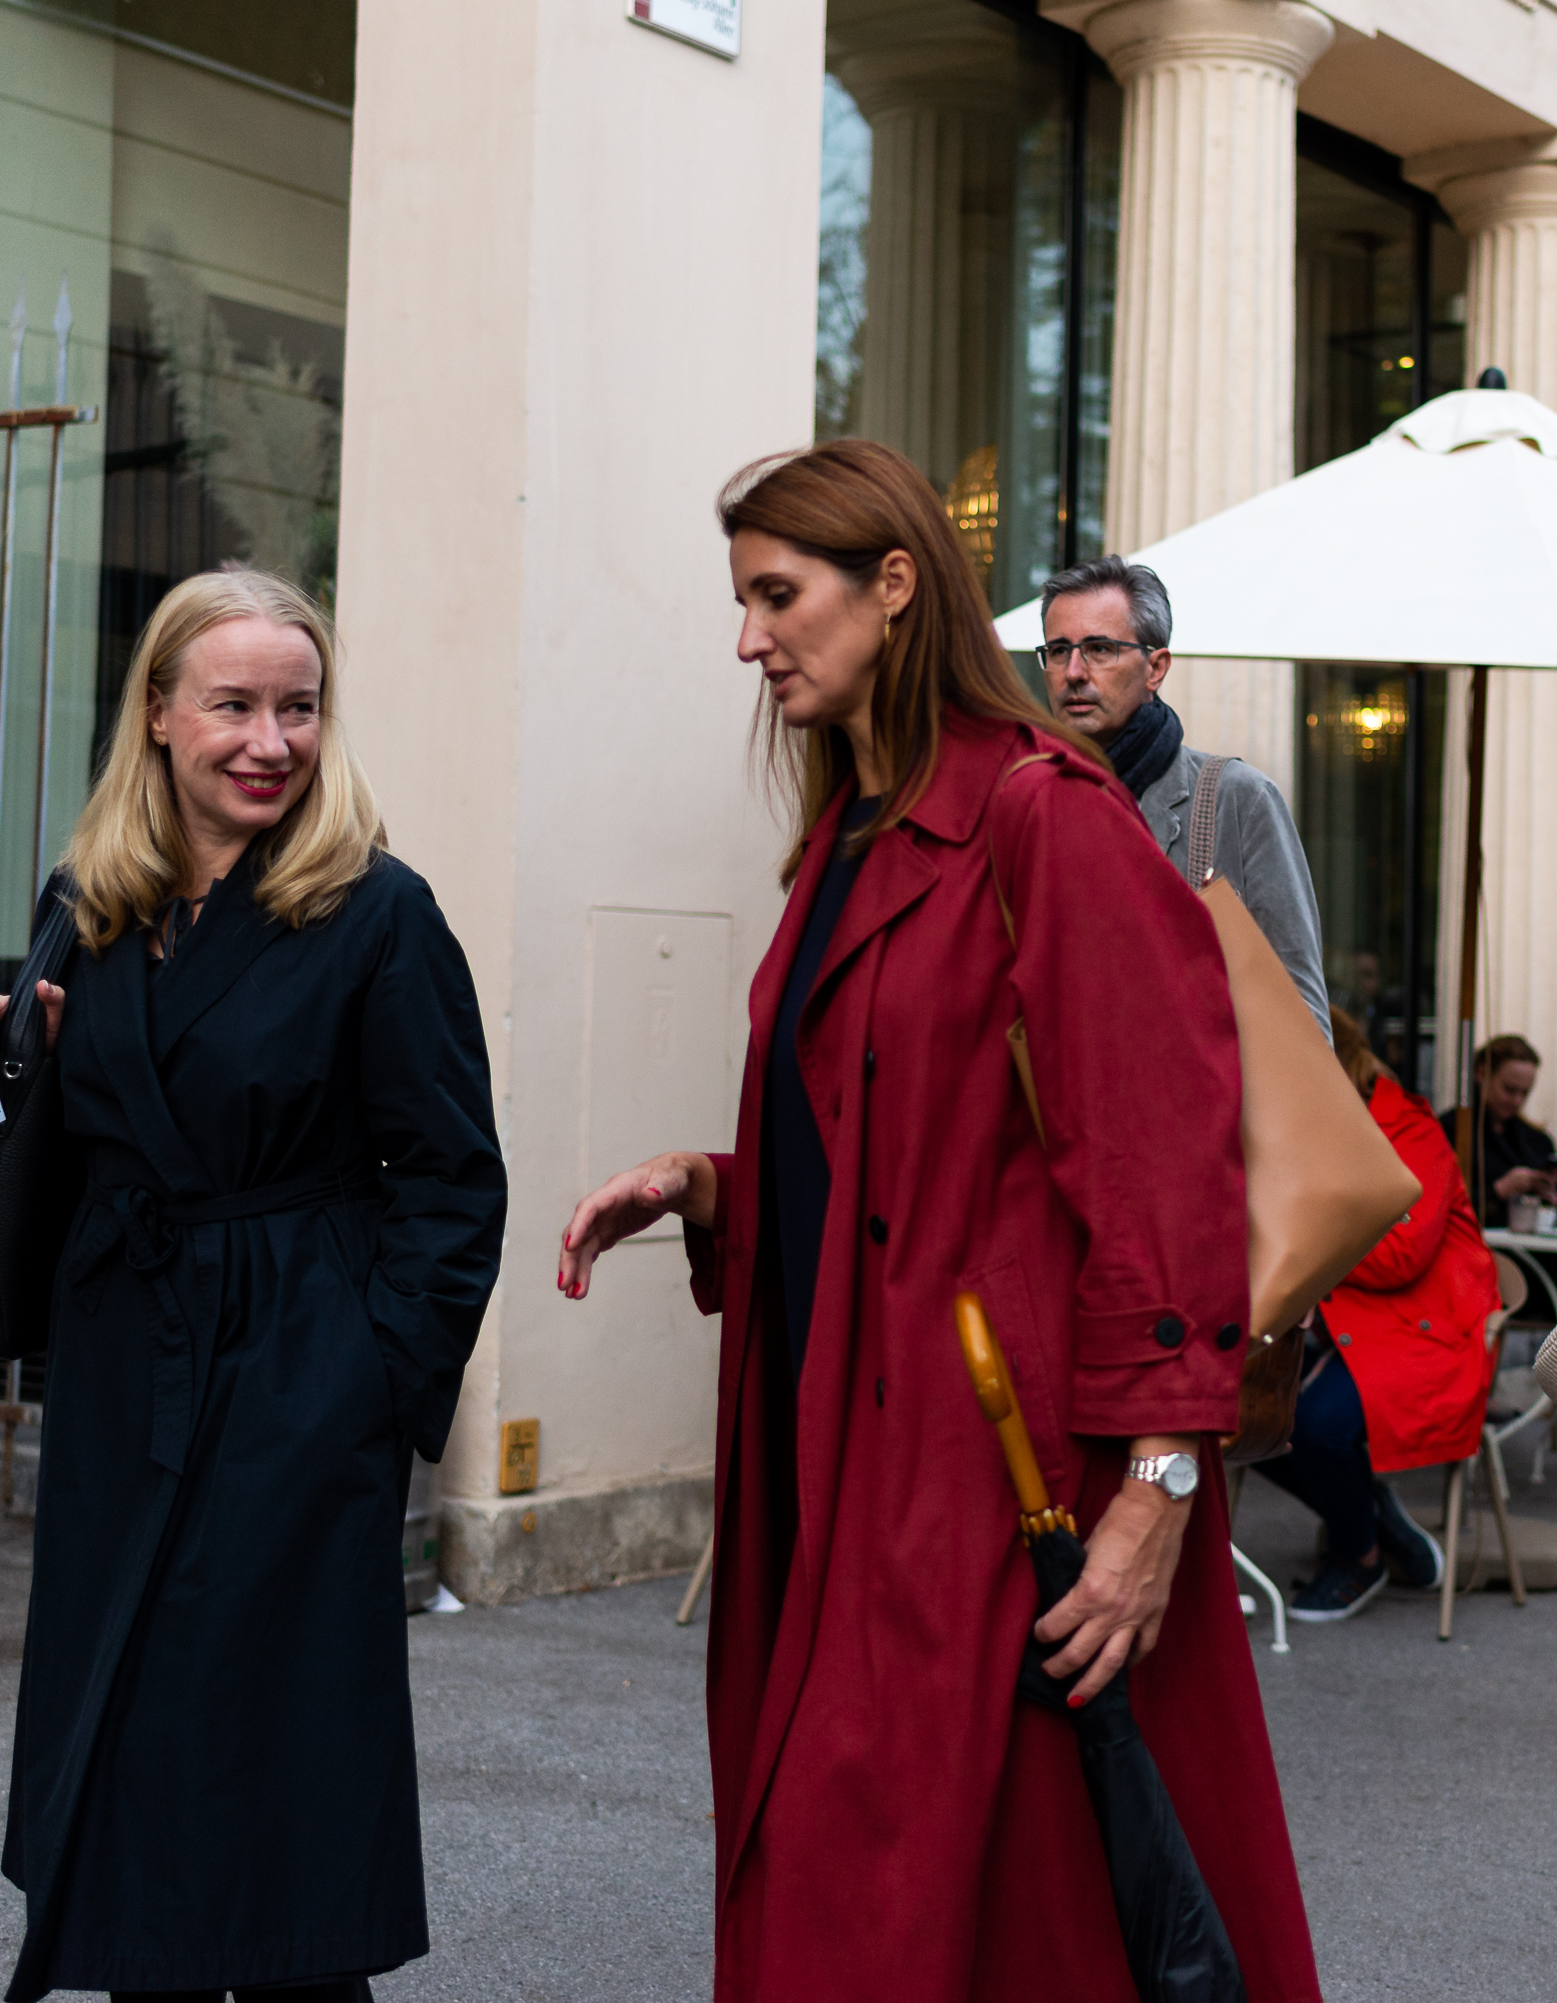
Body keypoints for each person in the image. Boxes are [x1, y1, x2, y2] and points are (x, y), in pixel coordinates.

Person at [554, 439, 1317, 2001]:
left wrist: (1158, 1491)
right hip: (857, 1458)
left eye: (779, 596)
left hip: (1005, 1488)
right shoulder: (855, 826)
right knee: (878, 1895)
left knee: (999, 1918)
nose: (749, 639)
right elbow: (910, 1136)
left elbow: (1165, 1173)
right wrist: (719, 1184)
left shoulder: (1046, 818)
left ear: (895, 584)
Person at [0, 568, 507, 2003]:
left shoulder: (378, 910)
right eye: (235, 705)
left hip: (295, 1375)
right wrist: (39, 1061)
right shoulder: (90, 899)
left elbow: (453, 1177)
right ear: (157, 713)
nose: (272, 741)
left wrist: (371, 1384)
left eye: (299, 707)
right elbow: (86, 1144)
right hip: (124, 1371)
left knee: (276, 1761)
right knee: (132, 1737)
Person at [1256, 1008, 1498, 1620]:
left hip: (1430, 1331)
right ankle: (1374, 1516)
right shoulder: (1321, 1126)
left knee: (1313, 1426)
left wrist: (1298, 1237)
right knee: (1248, 1423)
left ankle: (1358, 1556)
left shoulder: (1409, 1129)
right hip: (1356, 1325)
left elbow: (1399, 1255)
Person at [1036, 552, 1330, 1036]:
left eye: (1099, 649)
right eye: (1058, 650)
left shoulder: (1237, 800)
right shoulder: (1028, 804)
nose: (1073, 672)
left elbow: (1303, 1026)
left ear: (1156, 668)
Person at [1445, 1032, 1557, 1220]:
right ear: (1482, 1074)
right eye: (1509, 1089)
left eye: (1525, 1093)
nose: (1517, 1101)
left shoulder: (1538, 1140)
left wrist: (1554, 1200)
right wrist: (1499, 1190)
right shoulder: (1451, 1131)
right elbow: (1438, 1206)